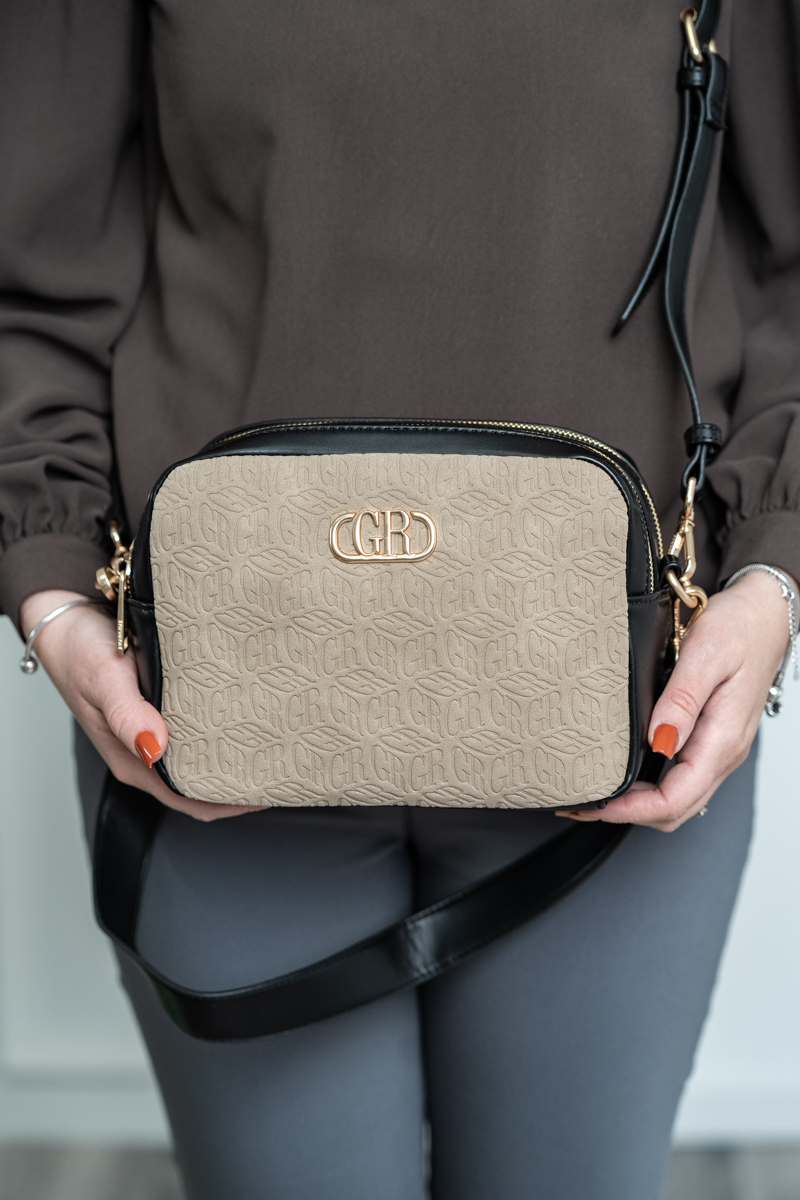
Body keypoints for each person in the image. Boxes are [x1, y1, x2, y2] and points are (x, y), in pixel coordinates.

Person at [1, 2, 799, 1197]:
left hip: (622, 707)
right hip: (218, 702)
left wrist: (772, 569)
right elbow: (31, 261)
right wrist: (55, 593)